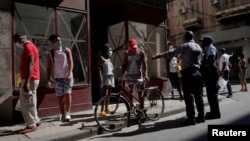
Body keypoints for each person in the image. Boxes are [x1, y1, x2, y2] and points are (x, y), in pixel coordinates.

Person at [152, 31, 205, 126]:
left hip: (188, 73)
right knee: (198, 95)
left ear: (185, 38)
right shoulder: (198, 47)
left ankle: (191, 118)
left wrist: (158, 56)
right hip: (198, 73)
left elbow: (171, 53)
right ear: (192, 37)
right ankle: (201, 117)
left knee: (188, 97)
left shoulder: (185, 46)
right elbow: (201, 58)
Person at [13, 33, 41, 134]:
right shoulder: (31, 46)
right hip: (32, 79)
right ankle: (36, 120)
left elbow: (31, 64)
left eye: (15, 42)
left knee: (26, 103)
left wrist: (27, 82)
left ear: (19, 40)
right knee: (32, 100)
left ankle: (31, 125)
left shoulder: (28, 47)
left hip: (31, 79)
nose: (16, 44)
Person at [47, 34, 74, 122]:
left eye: (59, 40)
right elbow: (49, 67)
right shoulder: (51, 53)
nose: (59, 42)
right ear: (52, 42)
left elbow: (70, 62)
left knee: (67, 93)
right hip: (58, 78)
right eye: (57, 41)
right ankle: (62, 113)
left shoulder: (66, 50)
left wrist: (69, 73)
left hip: (67, 76)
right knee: (60, 96)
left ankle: (68, 113)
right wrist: (48, 80)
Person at [122, 38, 149, 109]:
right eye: (132, 48)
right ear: (129, 47)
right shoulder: (126, 53)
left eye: (134, 48)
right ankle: (131, 107)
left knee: (140, 92)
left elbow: (144, 65)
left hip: (138, 76)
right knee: (130, 93)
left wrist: (145, 75)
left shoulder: (141, 52)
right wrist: (122, 74)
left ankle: (141, 107)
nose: (133, 49)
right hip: (129, 76)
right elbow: (124, 64)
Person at [200, 35, 221, 120]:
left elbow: (211, 59)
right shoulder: (208, 49)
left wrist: (204, 63)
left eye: (203, 41)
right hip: (210, 73)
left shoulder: (211, 48)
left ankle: (216, 113)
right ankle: (213, 111)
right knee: (210, 94)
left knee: (213, 95)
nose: (202, 43)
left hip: (212, 73)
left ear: (207, 42)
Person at [98, 43, 115, 116]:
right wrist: (100, 77)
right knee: (104, 94)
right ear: (106, 51)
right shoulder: (101, 58)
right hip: (105, 76)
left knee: (109, 94)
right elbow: (99, 68)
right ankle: (102, 110)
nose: (111, 52)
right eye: (109, 50)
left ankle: (106, 108)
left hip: (111, 76)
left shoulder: (109, 59)